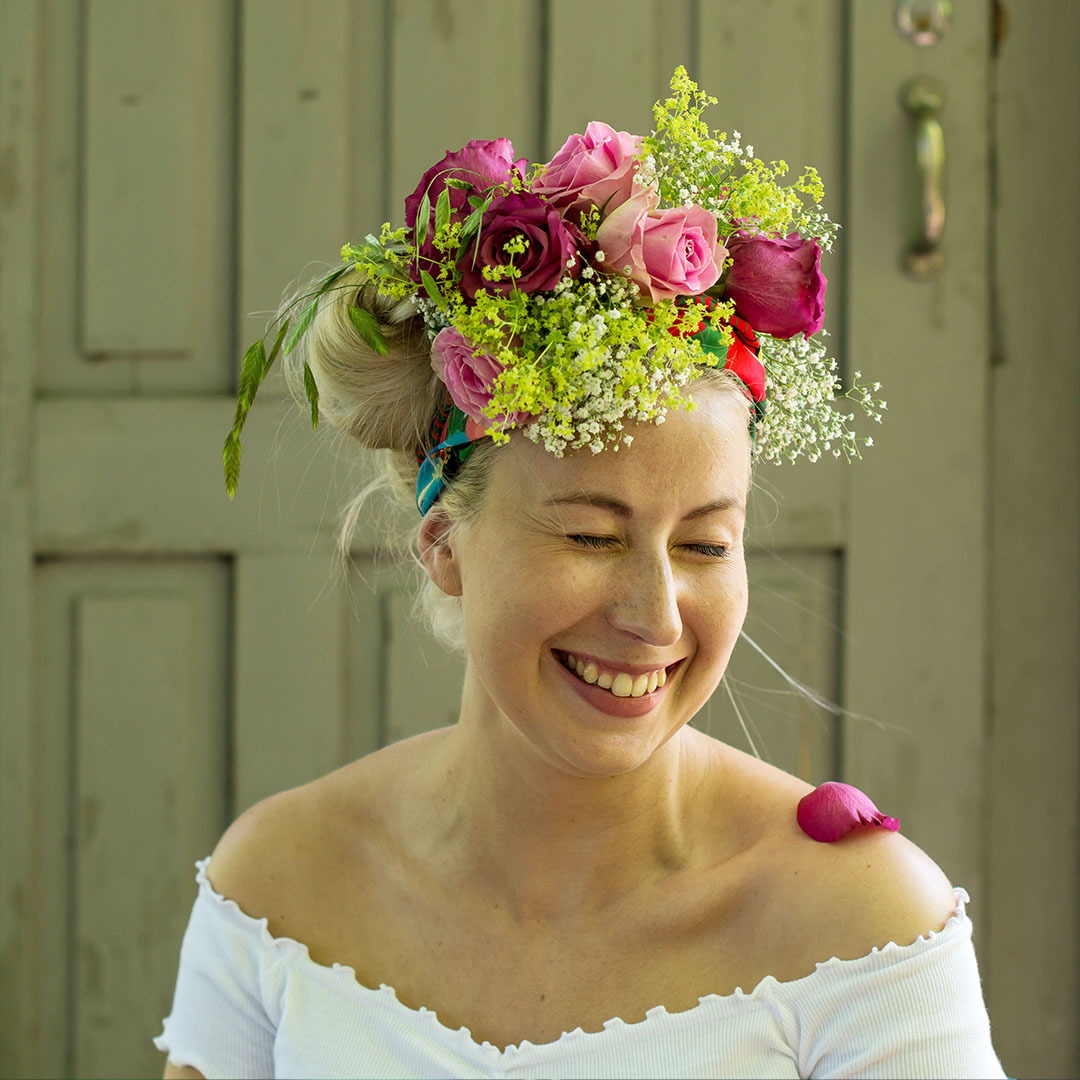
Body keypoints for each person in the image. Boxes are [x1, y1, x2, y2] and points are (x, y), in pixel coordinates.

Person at [158, 70, 1005, 1078]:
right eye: (593, 538)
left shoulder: (865, 930)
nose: (655, 619)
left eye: (704, 544)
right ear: (441, 541)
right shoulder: (279, 891)